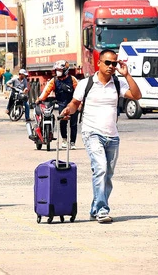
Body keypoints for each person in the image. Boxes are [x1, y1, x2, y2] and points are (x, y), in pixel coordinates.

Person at [60, 49, 141, 223]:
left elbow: (136, 95)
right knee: (101, 169)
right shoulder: (86, 83)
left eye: (114, 63)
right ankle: (103, 210)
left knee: (108, 175)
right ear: (99, 63)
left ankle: (95, 208)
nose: (111, 67)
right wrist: (68, 110)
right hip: (92, 133)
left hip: (112, 136)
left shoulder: (117, 84)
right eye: (108, 63)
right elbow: (75, 103)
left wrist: (127, 75)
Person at [37, 60, 78, 149]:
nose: (58, 72)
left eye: (60, 70)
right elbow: (46, 91)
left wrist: (80, 104)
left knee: (73, 124)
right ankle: (64, 139)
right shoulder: (54, 80)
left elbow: (79, 92)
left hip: (73, 104)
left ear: (66, 70)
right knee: (63, 122)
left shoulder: (72, 79)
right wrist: (40, 99)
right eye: (57, 70)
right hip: (61, 104)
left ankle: (72, 142)